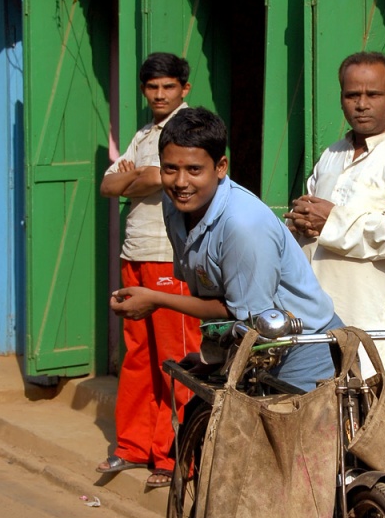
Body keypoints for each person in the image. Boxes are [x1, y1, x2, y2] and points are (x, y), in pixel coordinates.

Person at [109, 106, 342, 394]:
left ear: (221, 167)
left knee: (293, 437)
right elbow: (214, 295)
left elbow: (243, 313)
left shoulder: (243, 224)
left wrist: (156, 299)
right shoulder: (176, 204)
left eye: (194, 170)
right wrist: (214, 357)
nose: (181, 182)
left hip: (302, 347)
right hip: (258, 344)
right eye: (171, 169)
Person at [285, 51, 385, 442]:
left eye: (373, 93)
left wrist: (332, 221)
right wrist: (300, 223)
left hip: (382, 327)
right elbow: (311, 220)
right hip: (326, 324)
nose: (361, 103)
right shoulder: (332, 155)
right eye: (351, 94)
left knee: (383, 443)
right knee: (330, 442)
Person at [97, 53, 201, 487]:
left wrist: (138, 178)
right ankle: (134, 446)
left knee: (175, 358)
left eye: (168, 87)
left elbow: (164, 179)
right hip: (134, 254)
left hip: (169, 255)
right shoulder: (143, 134)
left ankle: (175, 456)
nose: (159, 94)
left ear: (184, 89)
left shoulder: (189, 129)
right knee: (138, 355)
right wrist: (142, 176)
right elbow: (108, 186)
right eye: (152, 87)